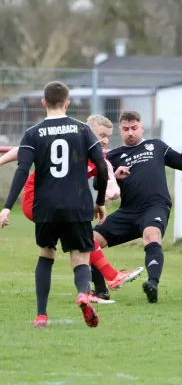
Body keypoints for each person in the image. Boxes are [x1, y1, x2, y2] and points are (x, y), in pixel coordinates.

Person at [0, 115, 145, 304]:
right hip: (36, 199)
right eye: (101, 134)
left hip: (58, 201)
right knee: (79, 239)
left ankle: (97, 290)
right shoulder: (69, 142)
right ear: (88, 130)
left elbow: (107, 173)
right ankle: (107, 279)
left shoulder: (96, 156)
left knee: (84, 239)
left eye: (108, 136)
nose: (105, 140)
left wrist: (112, 186)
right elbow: (23, 150)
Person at [0, 81, 109, 328]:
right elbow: (101, 167)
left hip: (46, 206)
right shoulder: (82, 130)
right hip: (78, 204)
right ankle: (83, 293)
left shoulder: (33, 133)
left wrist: (7, 206)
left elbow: (22, 170)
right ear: (68, 103)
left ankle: (41, 316)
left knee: (46, 255)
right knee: (80, 256)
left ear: (43, 103)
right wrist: (99, 201)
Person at [93, 110, 182, 303]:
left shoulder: (156, 146)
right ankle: (100, 291)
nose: (130, 133)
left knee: (151, 234)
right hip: (128, 211)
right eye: (125, 129)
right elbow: (98, 185)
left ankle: (152, 285)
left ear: (142, 128)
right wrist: (114, 174)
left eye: (134, 128)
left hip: (155, 206)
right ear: (120, 131)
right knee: (89, 240)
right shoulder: (113, 156)